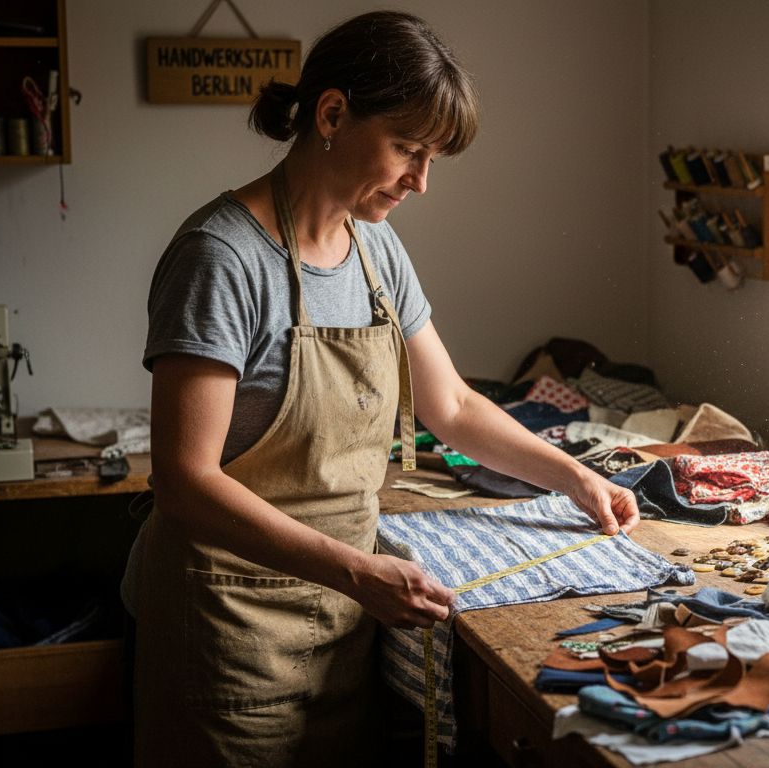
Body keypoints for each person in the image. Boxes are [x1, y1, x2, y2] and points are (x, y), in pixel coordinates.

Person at [121, 11, 640, 766]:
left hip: (339, 617)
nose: (420, 183)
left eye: (431, 159)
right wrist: (358, 570)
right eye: (407, 149)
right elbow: (184, 482)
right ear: (331, 114)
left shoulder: (377, 251)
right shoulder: (221, 258)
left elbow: (452, 406)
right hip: (226, 627)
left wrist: (575, 478)